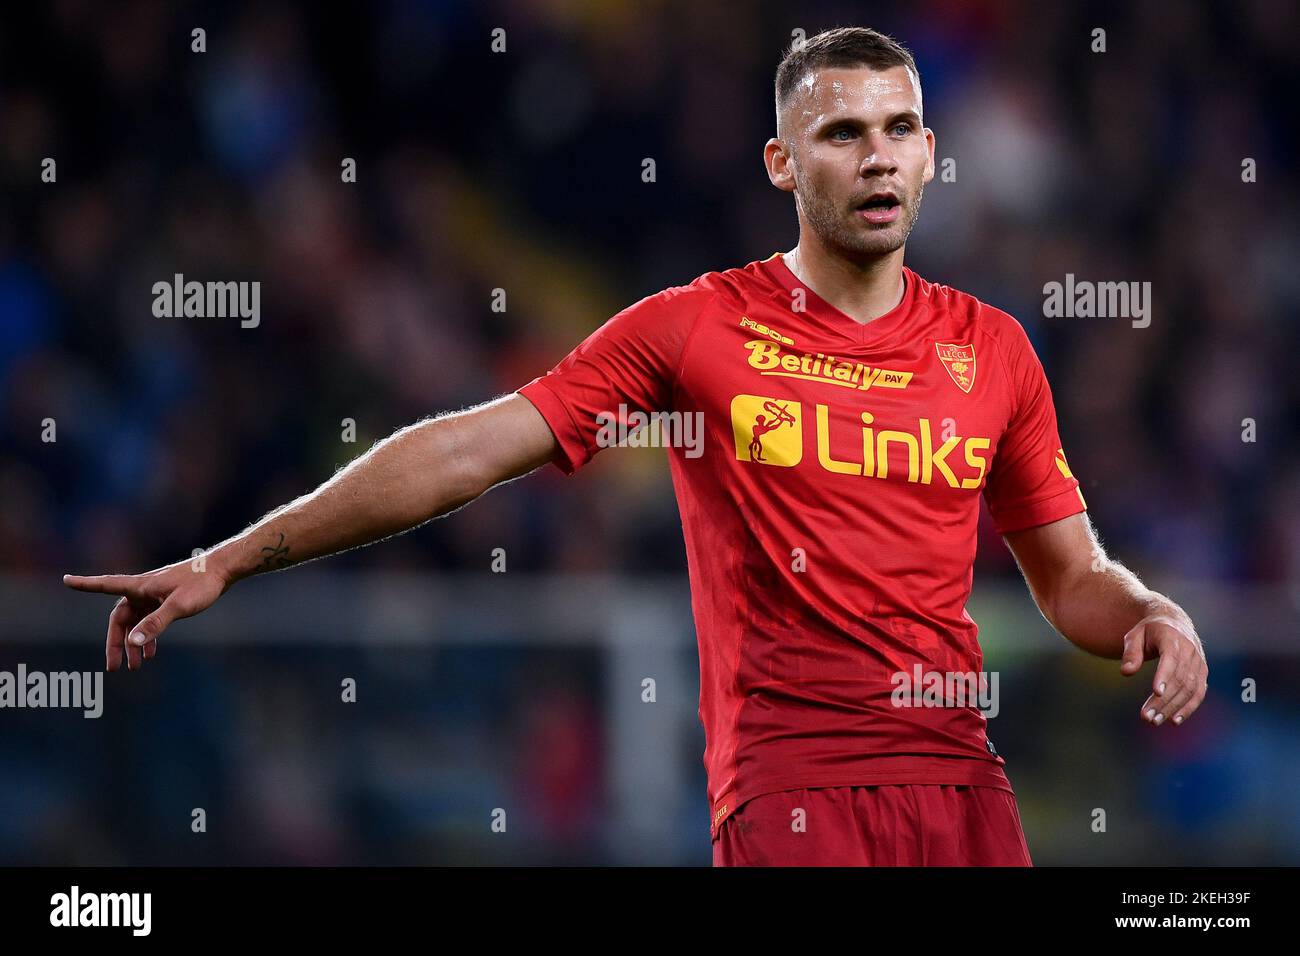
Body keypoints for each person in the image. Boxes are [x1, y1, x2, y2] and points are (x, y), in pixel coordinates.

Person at [64, 26, 1207, 866]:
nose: (875, 157)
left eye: (898, 130)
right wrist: (236, 554)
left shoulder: (992, 348)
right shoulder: (695, 329)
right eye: (842, 131)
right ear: (780, 163)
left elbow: (1068, 577)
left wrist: (1150, 610)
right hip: (792, 795)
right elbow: (468, 449)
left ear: (928, 154)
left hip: (964, 787)